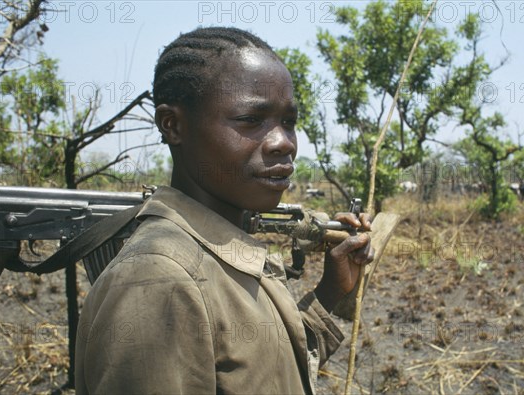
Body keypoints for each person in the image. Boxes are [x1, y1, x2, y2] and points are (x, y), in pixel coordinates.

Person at [75, 27, 374, 394]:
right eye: (251, 119)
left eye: (289, 122)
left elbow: (267, 368)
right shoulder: (159, 282)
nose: (284, 143)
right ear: (173, 125)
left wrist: (332, 290)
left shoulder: (220, 253)